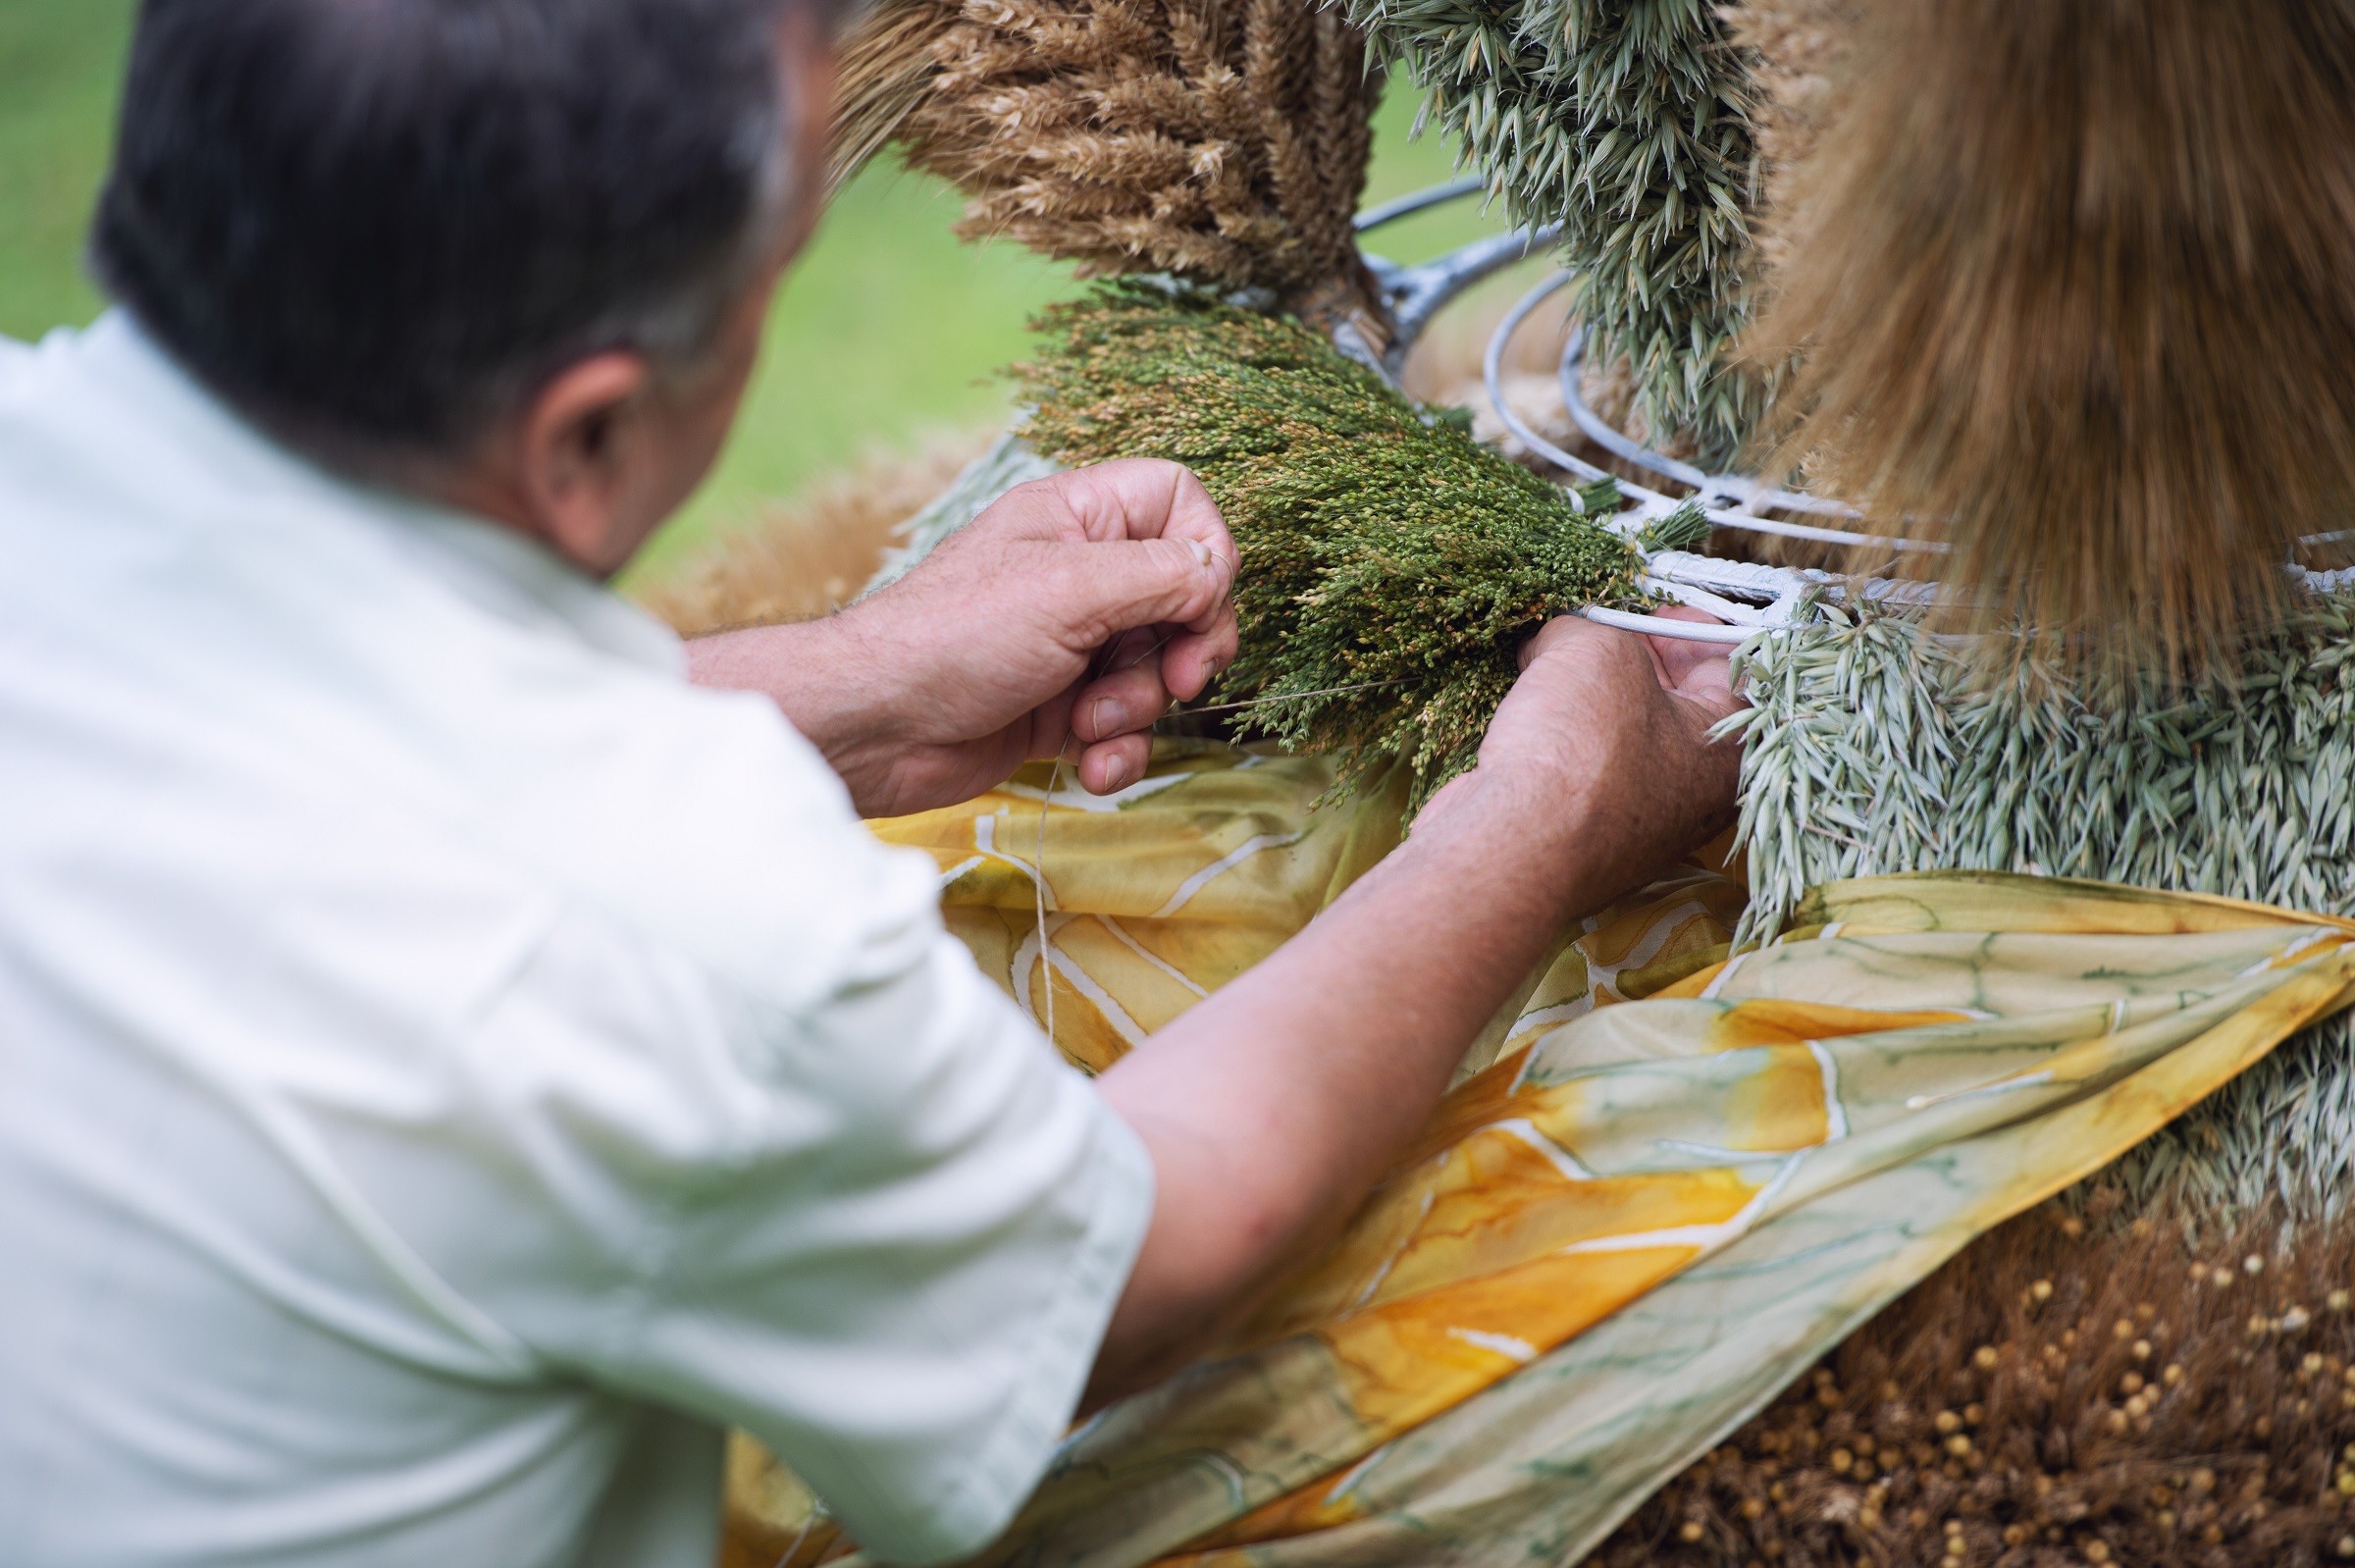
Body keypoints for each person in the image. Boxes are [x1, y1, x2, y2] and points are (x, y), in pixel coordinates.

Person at [0, 0, 1741, 1563]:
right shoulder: (667, 917)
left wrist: (858, 690)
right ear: (588, 437)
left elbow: (337, 761)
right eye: (768, 284)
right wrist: (1535, 819)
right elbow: (1143, 1241)